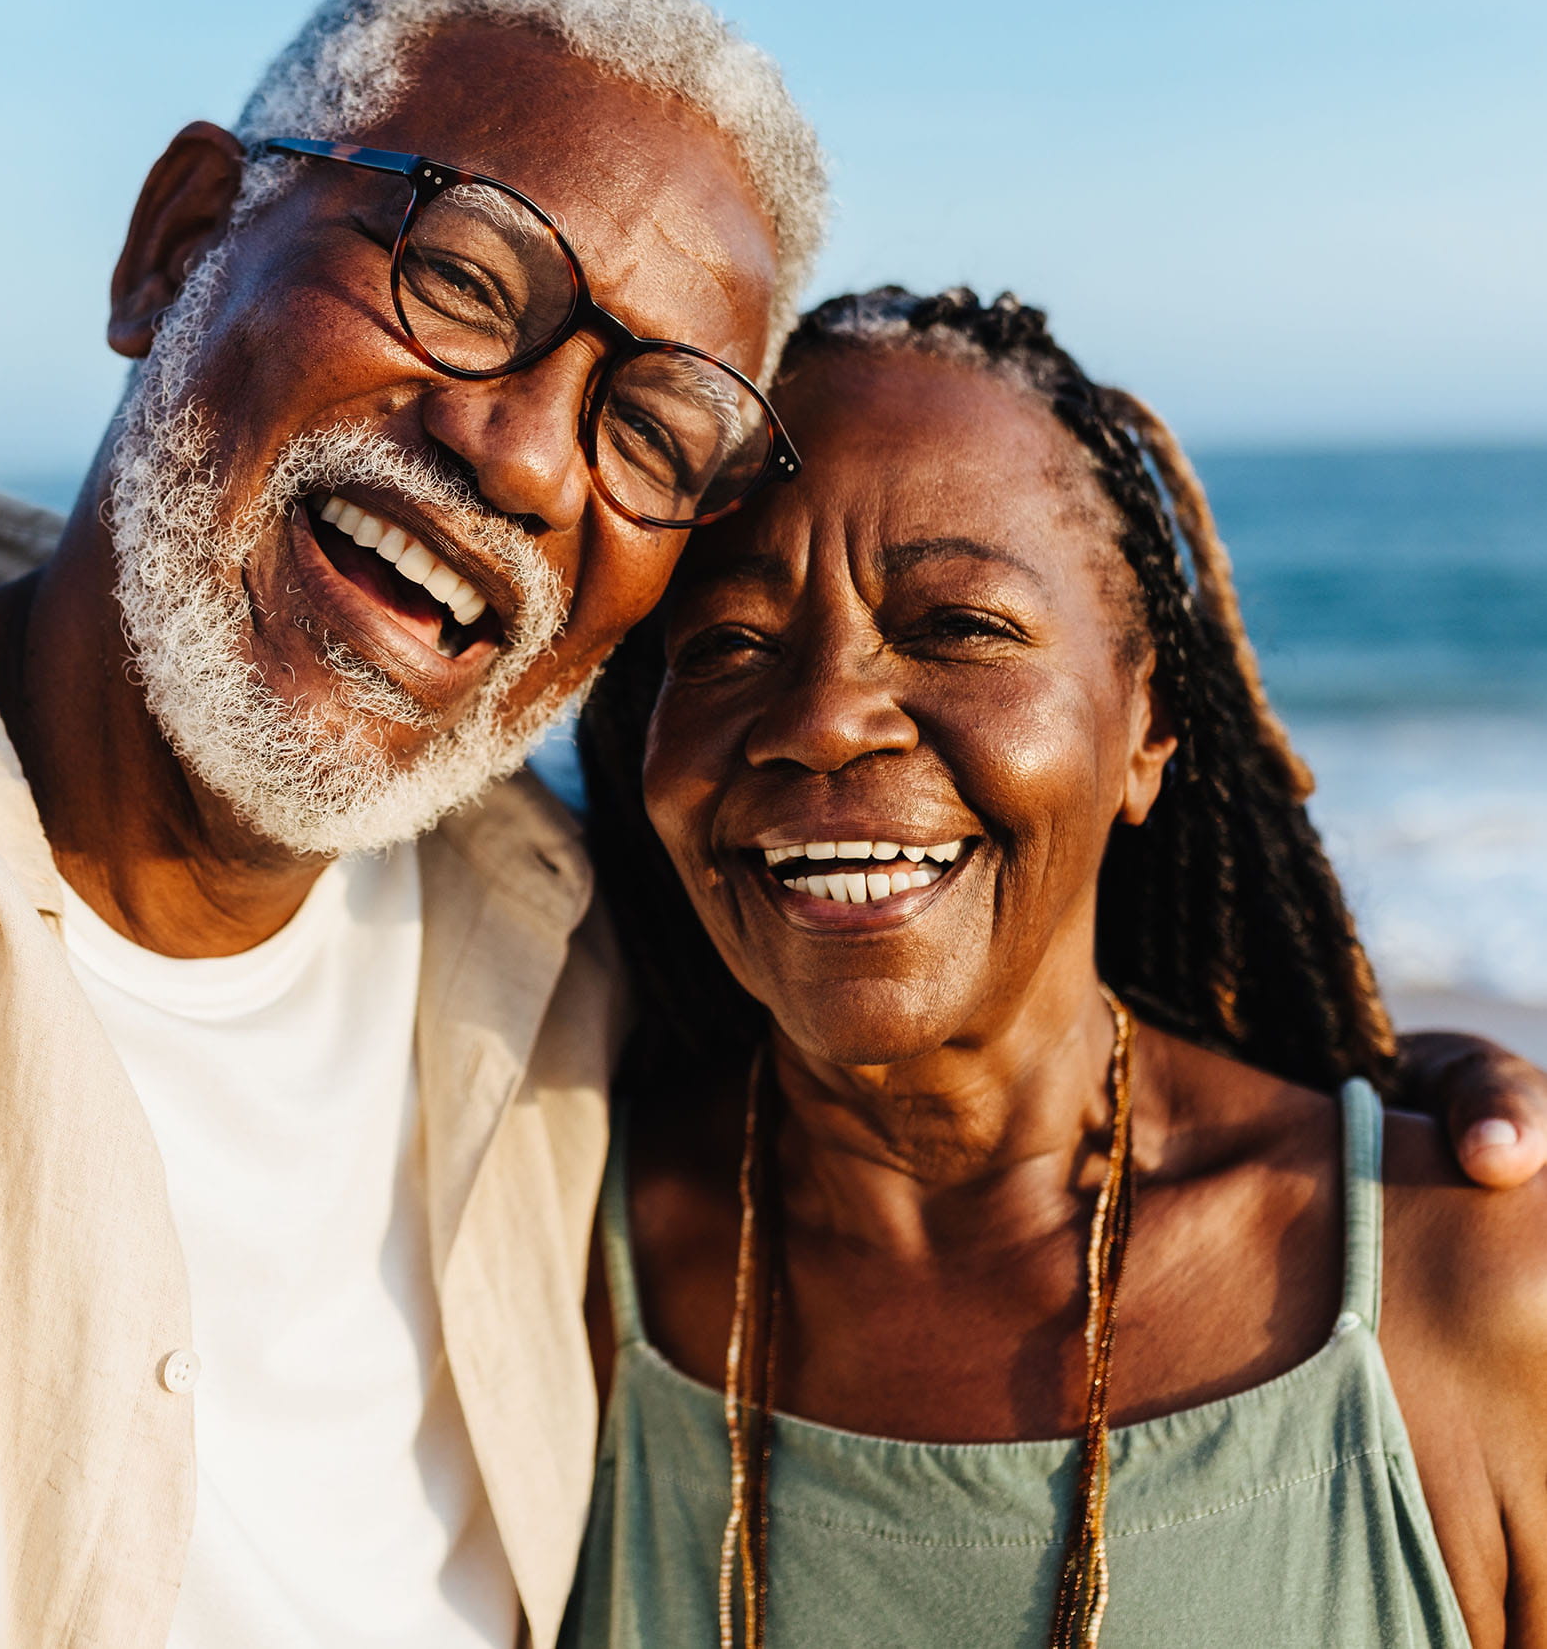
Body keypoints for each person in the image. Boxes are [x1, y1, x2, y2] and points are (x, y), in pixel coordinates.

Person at [0, 0, 1547, 1648]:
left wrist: (1351, 1097)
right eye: (454, 271)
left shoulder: (540, 971)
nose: (518, 444)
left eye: (645, 430)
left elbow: (937, 973)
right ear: (169, 242)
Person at [565, 287, 1547, 1647]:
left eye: (958, 626)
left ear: (1146, 726)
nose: (825, 717)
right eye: (727, 645)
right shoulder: (557, 1266)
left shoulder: (1475, 1292)